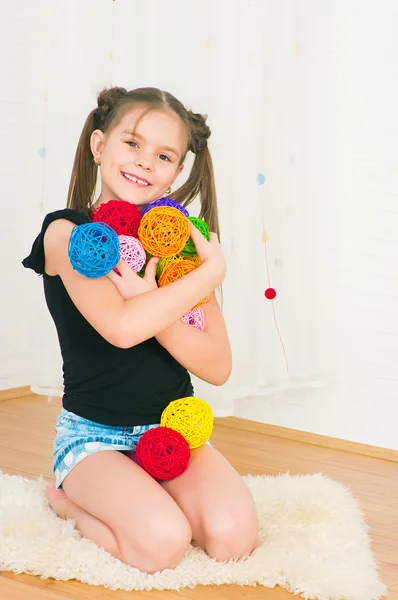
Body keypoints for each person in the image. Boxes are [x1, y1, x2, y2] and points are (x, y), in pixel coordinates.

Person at [23, 86, 258, 574]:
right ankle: (67, 500)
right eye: (133, 143)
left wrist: (163, 291)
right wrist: (210, 275)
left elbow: (218, 366)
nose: (145, 162)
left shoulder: (178, 248)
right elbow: (123, 330)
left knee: (233, 539)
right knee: (162, 544)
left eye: (164, 154)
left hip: (170, 429)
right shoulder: (68, 235)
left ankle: (147, 494)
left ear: (177, 171)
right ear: (99, 145)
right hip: (93, 437)